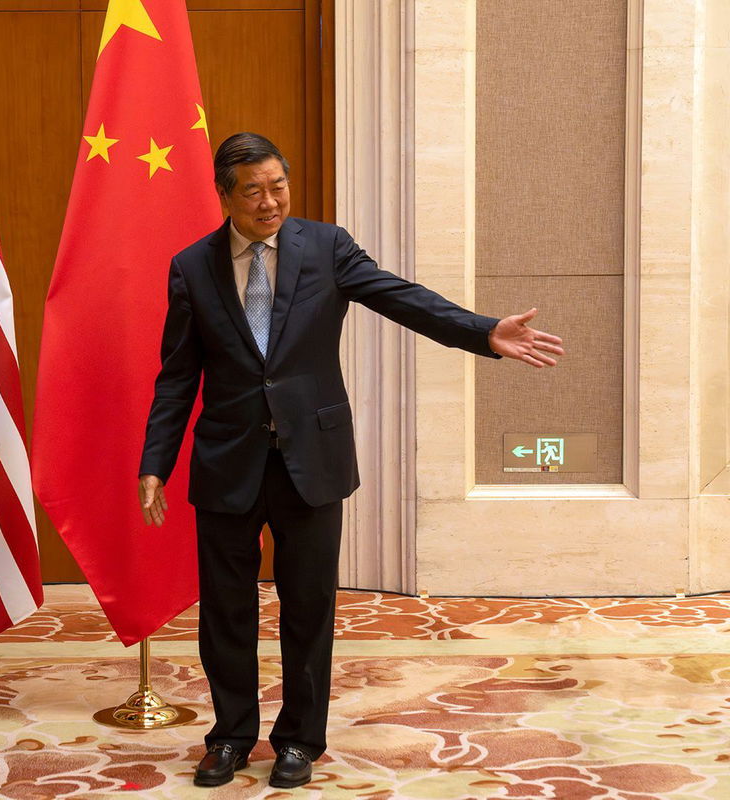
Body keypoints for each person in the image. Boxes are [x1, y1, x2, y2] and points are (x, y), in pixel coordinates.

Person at [137, 133, 564, 789]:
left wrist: (484, 331)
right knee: (227, 611)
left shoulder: (326, 247)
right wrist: (155, 461)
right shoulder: (192, 266)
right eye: (252, 190)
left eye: (278, 184)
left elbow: (403, 298)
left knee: (309, 607)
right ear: (224, 196)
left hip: (312, 457)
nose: (270, 200)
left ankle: (300, 741)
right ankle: (229, 737)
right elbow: (176, 376)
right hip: (227, 461)